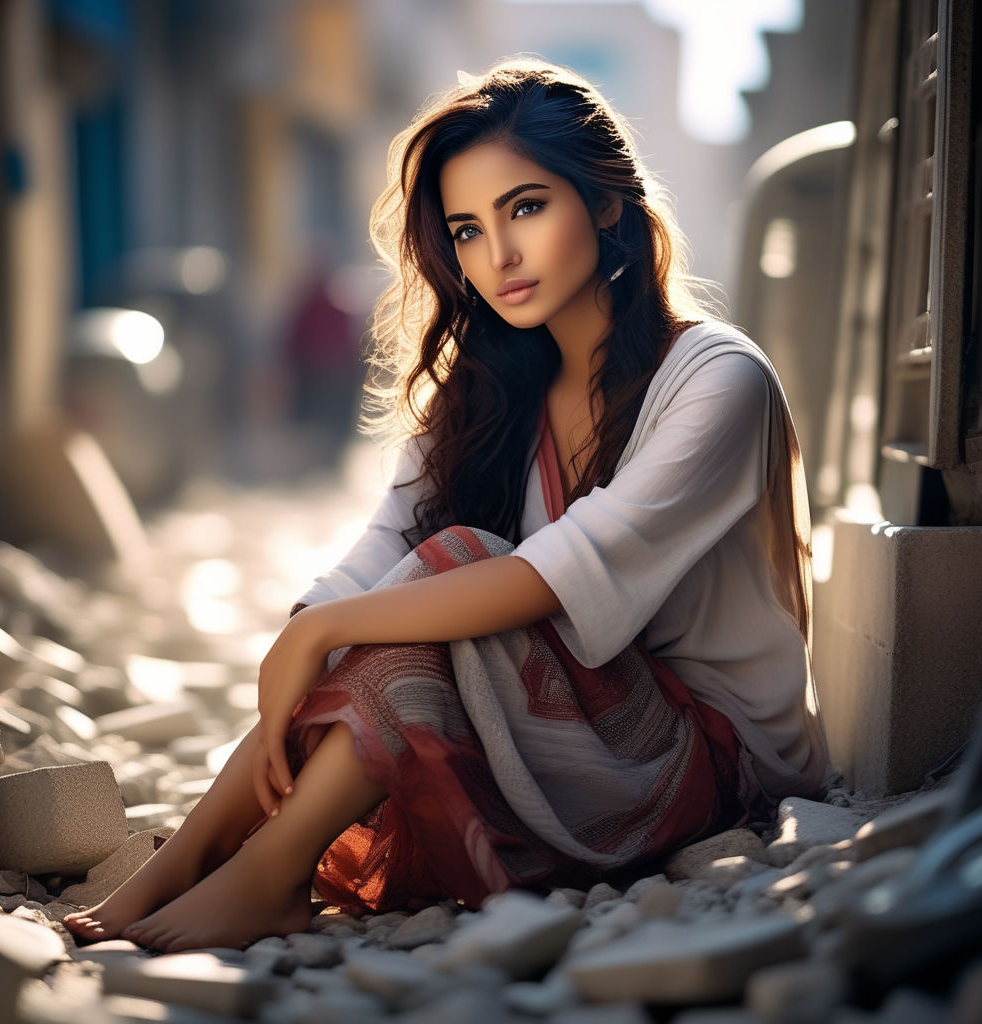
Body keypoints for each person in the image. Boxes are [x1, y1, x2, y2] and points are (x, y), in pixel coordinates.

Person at [64, 59, 829, 953]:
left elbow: (555, 575)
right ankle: (189, 857)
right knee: (399, 599)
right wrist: (308, 623)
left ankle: (268, 873)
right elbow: (382, 544)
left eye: (527, 208)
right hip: (577, 726)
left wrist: (320, 634)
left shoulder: (717, 381)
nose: (496, 256)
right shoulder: (492, 387)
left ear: (610, 205)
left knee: (455, 570)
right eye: (467, 229)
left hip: (712, 758)